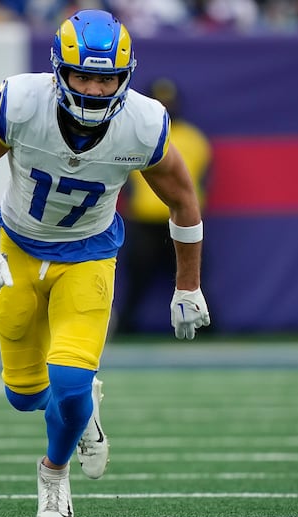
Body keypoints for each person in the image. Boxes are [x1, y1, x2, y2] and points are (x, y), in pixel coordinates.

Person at [0, 9, 210, 517]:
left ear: (125, 75)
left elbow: (184, 201)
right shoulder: (22, 104)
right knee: (24, 397)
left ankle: (53, 474)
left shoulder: (142, 123)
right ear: (58, 72)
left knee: (68, 383)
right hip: (21, 250)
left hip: (89, 255)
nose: (94, 88)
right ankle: (81, 410)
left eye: (106, 76)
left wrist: (188, 285)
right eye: (83, 75)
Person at [115, 77, 212, 335]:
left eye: (169, 101)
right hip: (145, 220)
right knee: (136, 280)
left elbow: (201, 180)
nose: (166, 106)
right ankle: (125, 328)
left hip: (181, 221)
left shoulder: (193, 138)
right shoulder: (138, 132)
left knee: (193, 279)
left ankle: (206, 328)